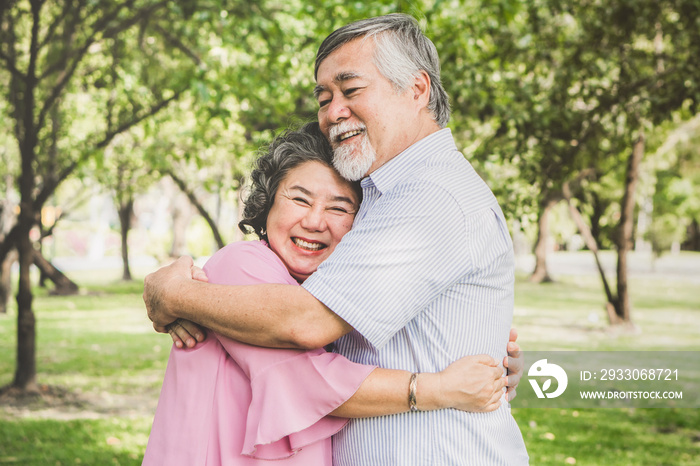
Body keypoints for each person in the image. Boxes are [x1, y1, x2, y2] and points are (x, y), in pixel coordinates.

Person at [145, 13, 528, 465]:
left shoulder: (429, 194)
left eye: (351, 90)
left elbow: (307, 325)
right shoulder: (384, 193)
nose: (333, 112)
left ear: (417, 90)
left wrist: (175, 294)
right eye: (324, 98)